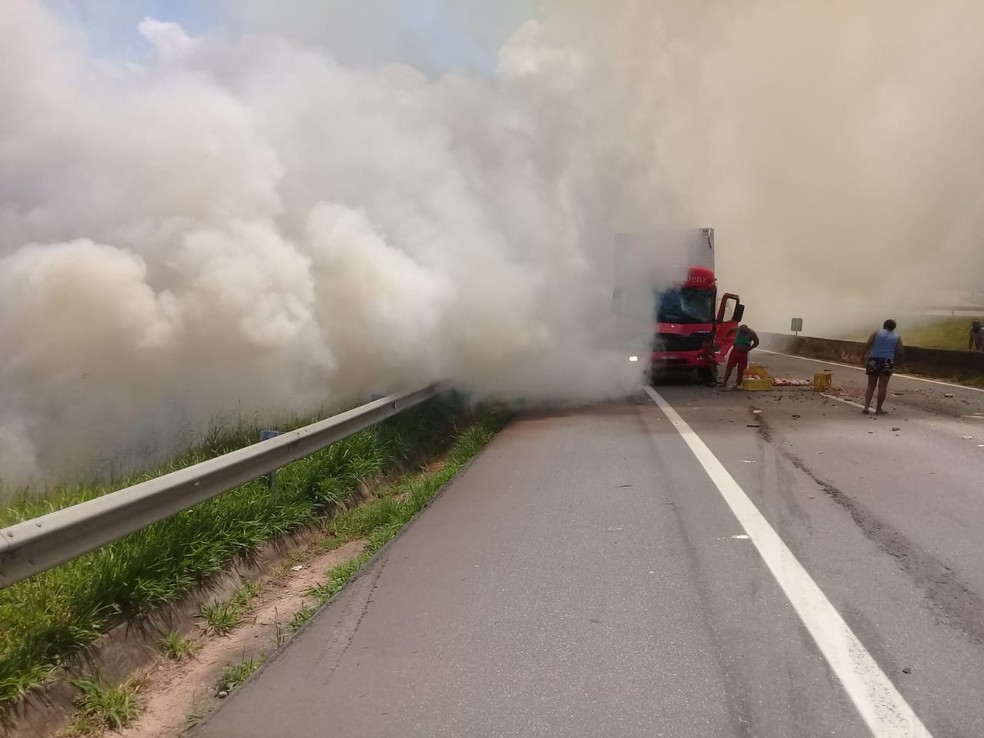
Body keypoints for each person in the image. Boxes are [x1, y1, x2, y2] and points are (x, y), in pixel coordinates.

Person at [862, 318, 904, 415]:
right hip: (887, 360)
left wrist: (862, 356)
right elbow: (900, 351)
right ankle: (878, 409)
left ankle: (866, 407)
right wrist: (900, 363)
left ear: (884, 325)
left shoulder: (876, 333)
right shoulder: (897, 337)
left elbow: (868, 344)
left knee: (870, 385)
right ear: (894, 328)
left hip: (874, 359)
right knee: (882, 386)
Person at [721, 324, 760, 389]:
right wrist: (725, 337)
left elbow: (757, 342)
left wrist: (750, 348)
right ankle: (724, 382)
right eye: (741, 332)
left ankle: (738, 383)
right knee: (729, 366)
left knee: (740, 369)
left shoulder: (751, 333)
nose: (742, 333)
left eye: (744, 332)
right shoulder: (737, 329)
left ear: (747, 330)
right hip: (735, 351)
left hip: (743, 353)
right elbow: (730, 329)